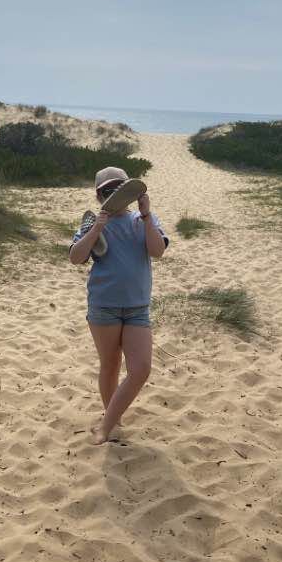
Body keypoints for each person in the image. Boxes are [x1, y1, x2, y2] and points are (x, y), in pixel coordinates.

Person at [69, 167, 169, 445]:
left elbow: (157, 251)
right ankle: (112, 420)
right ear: (98, 195)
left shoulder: (142, 219)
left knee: (141, 369)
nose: (112, 194)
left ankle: (105, 425)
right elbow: (76, 258)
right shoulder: (92, 223)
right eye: (106, 191)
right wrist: (96, 229)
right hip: (104, 306)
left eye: (118, 188)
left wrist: (146, 215)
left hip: (138, 307)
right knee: (110, 365)